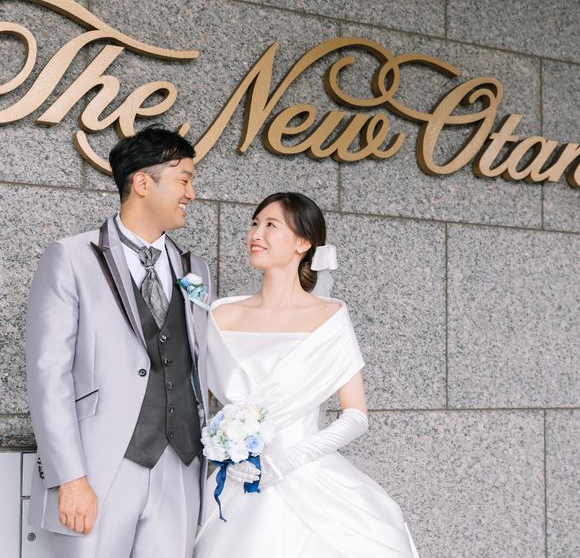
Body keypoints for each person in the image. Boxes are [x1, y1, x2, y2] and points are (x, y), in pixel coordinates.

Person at [194, 192, 419, 557]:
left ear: (303, 243)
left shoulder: (329, 317)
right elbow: (198, 401)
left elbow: (356, 415)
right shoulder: (221, 315)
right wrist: (222, 447)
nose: (256, 234)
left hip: (304, 476)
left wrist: (285, 462)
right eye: (254, 223)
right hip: (236, 480)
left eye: (271, 225)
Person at [26, 126, 214, 558]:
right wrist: (69, 478)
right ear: (143, 183)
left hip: (182, 464)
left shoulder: (195, 268)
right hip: (100, 467)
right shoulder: (71, 257)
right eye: (184, 179)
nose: (192, 193)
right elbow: (48, 375)